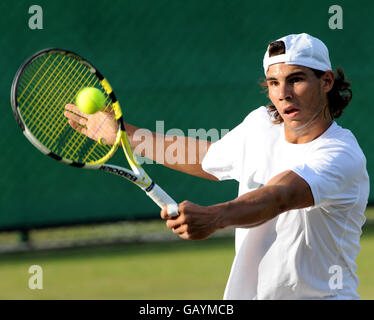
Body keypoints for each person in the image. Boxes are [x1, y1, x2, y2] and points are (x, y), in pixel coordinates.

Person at [64, 33, 369, 300]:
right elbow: (207, 159)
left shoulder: (342, 155)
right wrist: (124, 134)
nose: (283, 93)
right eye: (274, 82)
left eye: (296, 79)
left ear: (326, 81)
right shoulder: (261, 124)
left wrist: (214, 217)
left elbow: (280, 196)